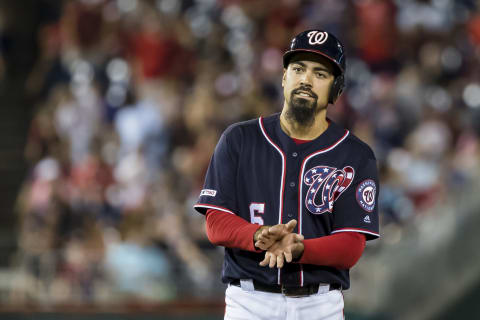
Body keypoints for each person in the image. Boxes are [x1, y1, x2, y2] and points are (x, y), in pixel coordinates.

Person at [194, 29, 380, 320]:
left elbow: (351, 245)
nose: (306, 79)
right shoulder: (240, 139)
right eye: (298, 69)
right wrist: (257, 235)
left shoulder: (355, 155)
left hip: (319, 306)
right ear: (284, 77)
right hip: (249, 302)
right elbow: (215, 222)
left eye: (320, 73)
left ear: (336, 88)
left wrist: (299, 247)